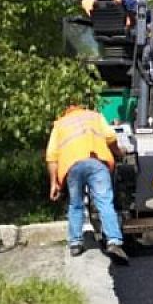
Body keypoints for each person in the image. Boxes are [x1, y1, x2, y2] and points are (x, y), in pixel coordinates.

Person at [46, 100, 129, 263]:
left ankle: (76, 243)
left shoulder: (60, 124)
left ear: (66, 111)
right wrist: (119, 153)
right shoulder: (94, 116)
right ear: (82, 107)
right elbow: (111, 137)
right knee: (104, 202)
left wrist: (53, 183)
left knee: (75, 204)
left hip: (72, 166)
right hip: (96, 162)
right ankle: (113, 241)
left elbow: (51, 156)